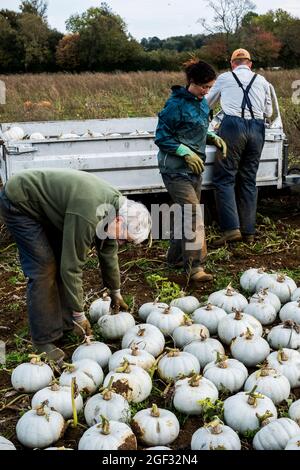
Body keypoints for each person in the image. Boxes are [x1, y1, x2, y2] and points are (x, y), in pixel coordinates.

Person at [0, 169, 151, 361]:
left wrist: (115, 291)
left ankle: (64, 324)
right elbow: (71, 268)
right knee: (44, 268)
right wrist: (80, 314)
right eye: (123, 239)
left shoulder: (116, 211)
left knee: (60, 259)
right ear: (120, 221)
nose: (121, 243)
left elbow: (108, 253)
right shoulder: (88, 214)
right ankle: (43, 339)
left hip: (51, 208)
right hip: (20, 202)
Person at [155, 59, 227, 282]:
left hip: (195, 167)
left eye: (209, 87)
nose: (206, 91)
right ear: (191, 82)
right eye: (203, 87)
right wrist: (184, 151)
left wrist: (212, 137)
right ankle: (195, 267)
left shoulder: (203, 103)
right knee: (194, 214)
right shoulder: (174, 105)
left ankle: (175, 258)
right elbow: (162, 137)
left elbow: (197, 130)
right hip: (175, 169)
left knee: (186, 213)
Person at [207, 48, 273, 246]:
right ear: (250, 64)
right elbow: (268, 111)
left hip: (233, 127)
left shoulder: (225, 78)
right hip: (257, 129)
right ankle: (249, 231)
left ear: (232, 64)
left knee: (225, 178)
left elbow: (207, 102)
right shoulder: (262, 81)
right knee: (248, 179)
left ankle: (231, 229)